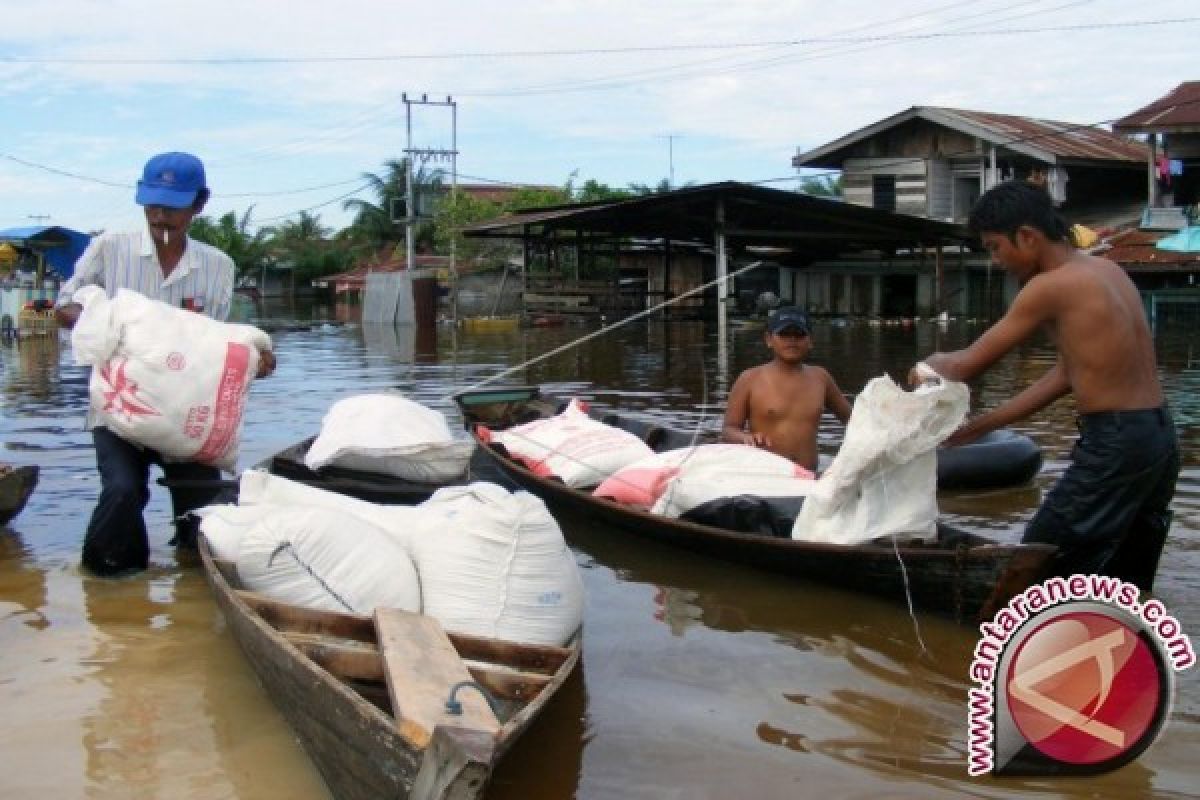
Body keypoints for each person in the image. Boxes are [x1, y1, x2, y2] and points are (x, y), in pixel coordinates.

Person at [912, 181, 1179, 590]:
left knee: (1041, 561)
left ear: (1028, 237)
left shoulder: (1048, 287)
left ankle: (1010, 641)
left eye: (995, 247)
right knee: (1127, 574)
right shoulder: (1107, 270)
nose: (995, 259)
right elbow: (1067, 375)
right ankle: (1132, 643)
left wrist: (925, 367)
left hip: (1117, 440)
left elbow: (964, 366)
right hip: (1158, 437)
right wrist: (983, 426)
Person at [55, 151, 276, 576]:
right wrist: (108, 321)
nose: (159, 216)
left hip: (186, 412)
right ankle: (108, 584)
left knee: (204, 515)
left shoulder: (216, 266)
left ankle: (194, 582)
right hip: (119, 408)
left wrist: (256, 359)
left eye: (172, 207)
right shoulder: (109, 249)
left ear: (199, 203)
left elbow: (219, 339)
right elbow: (64, 308)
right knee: (122, 491)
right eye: (152, 205)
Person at [722, 306, 851, 472]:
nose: (792, 340)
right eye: (784, 334)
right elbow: (728, 430)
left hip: (808, 477)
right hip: (765, 476)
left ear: (810, 340)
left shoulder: (821, 378)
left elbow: (853, 420)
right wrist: (745, 438)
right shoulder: (749, 379)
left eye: (799, 334)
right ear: (769, 339)